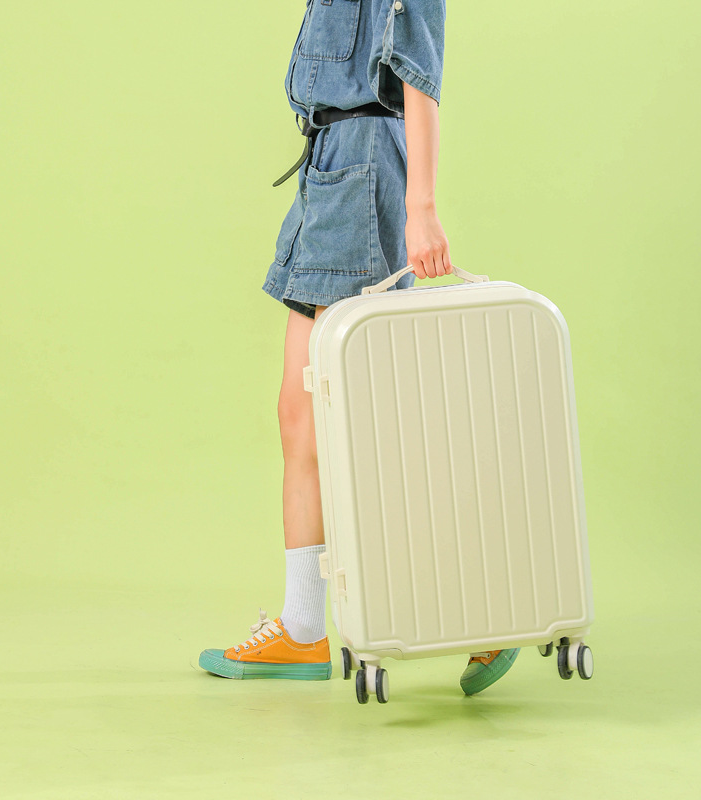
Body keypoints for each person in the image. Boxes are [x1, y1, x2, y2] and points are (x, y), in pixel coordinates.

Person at [198, 0, 519, 696]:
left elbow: (418, 76)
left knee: (380, 426)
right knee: (299, 415)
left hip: (365, 172)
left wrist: (421, 209)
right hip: (327, 171)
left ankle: (484, 608)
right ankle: (302, 627)